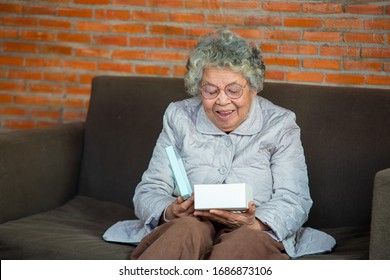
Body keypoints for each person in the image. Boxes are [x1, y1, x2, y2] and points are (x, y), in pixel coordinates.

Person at [129, 29, 335, 260]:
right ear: (198, 88)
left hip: (252, 231)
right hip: (188, 223)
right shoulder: (179, 116)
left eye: (233, 90)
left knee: (242, 242)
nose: (223, 101)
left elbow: (294, 198)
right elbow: (149, 190)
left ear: (253, 87)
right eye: (210, 90)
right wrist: (171, 211)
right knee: (187, 230)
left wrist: (255, 223)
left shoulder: (280, 124)